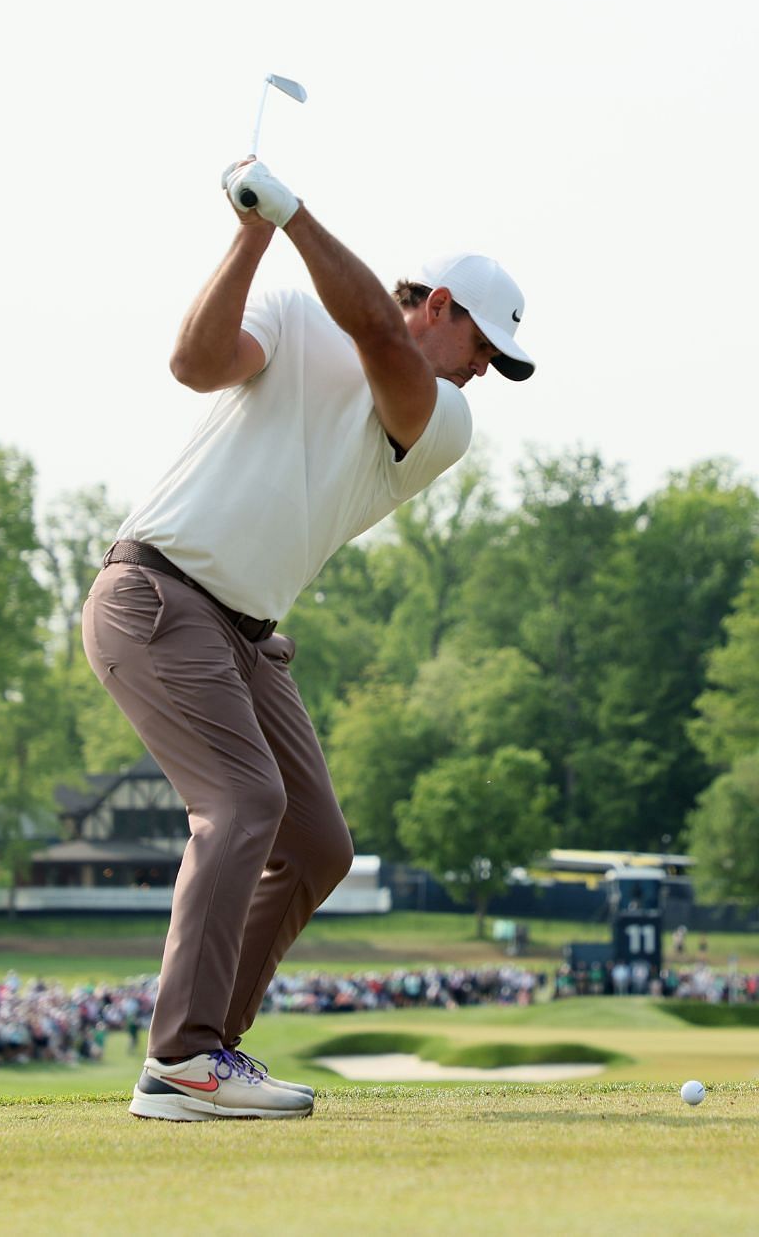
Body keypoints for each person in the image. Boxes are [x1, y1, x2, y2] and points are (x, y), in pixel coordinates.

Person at [82, 158, 535, 1122]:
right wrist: (251, 230)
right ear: (443, 304)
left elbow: (378, 331)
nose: (482, 371)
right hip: (157, 594)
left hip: (243, 632)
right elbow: (195, 364)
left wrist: (291, 212)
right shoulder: (294, 311)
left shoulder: (441, 417)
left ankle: (212, 1050)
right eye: (483, 345)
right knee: (244, 800)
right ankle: (183, 1059)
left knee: (317, 844)